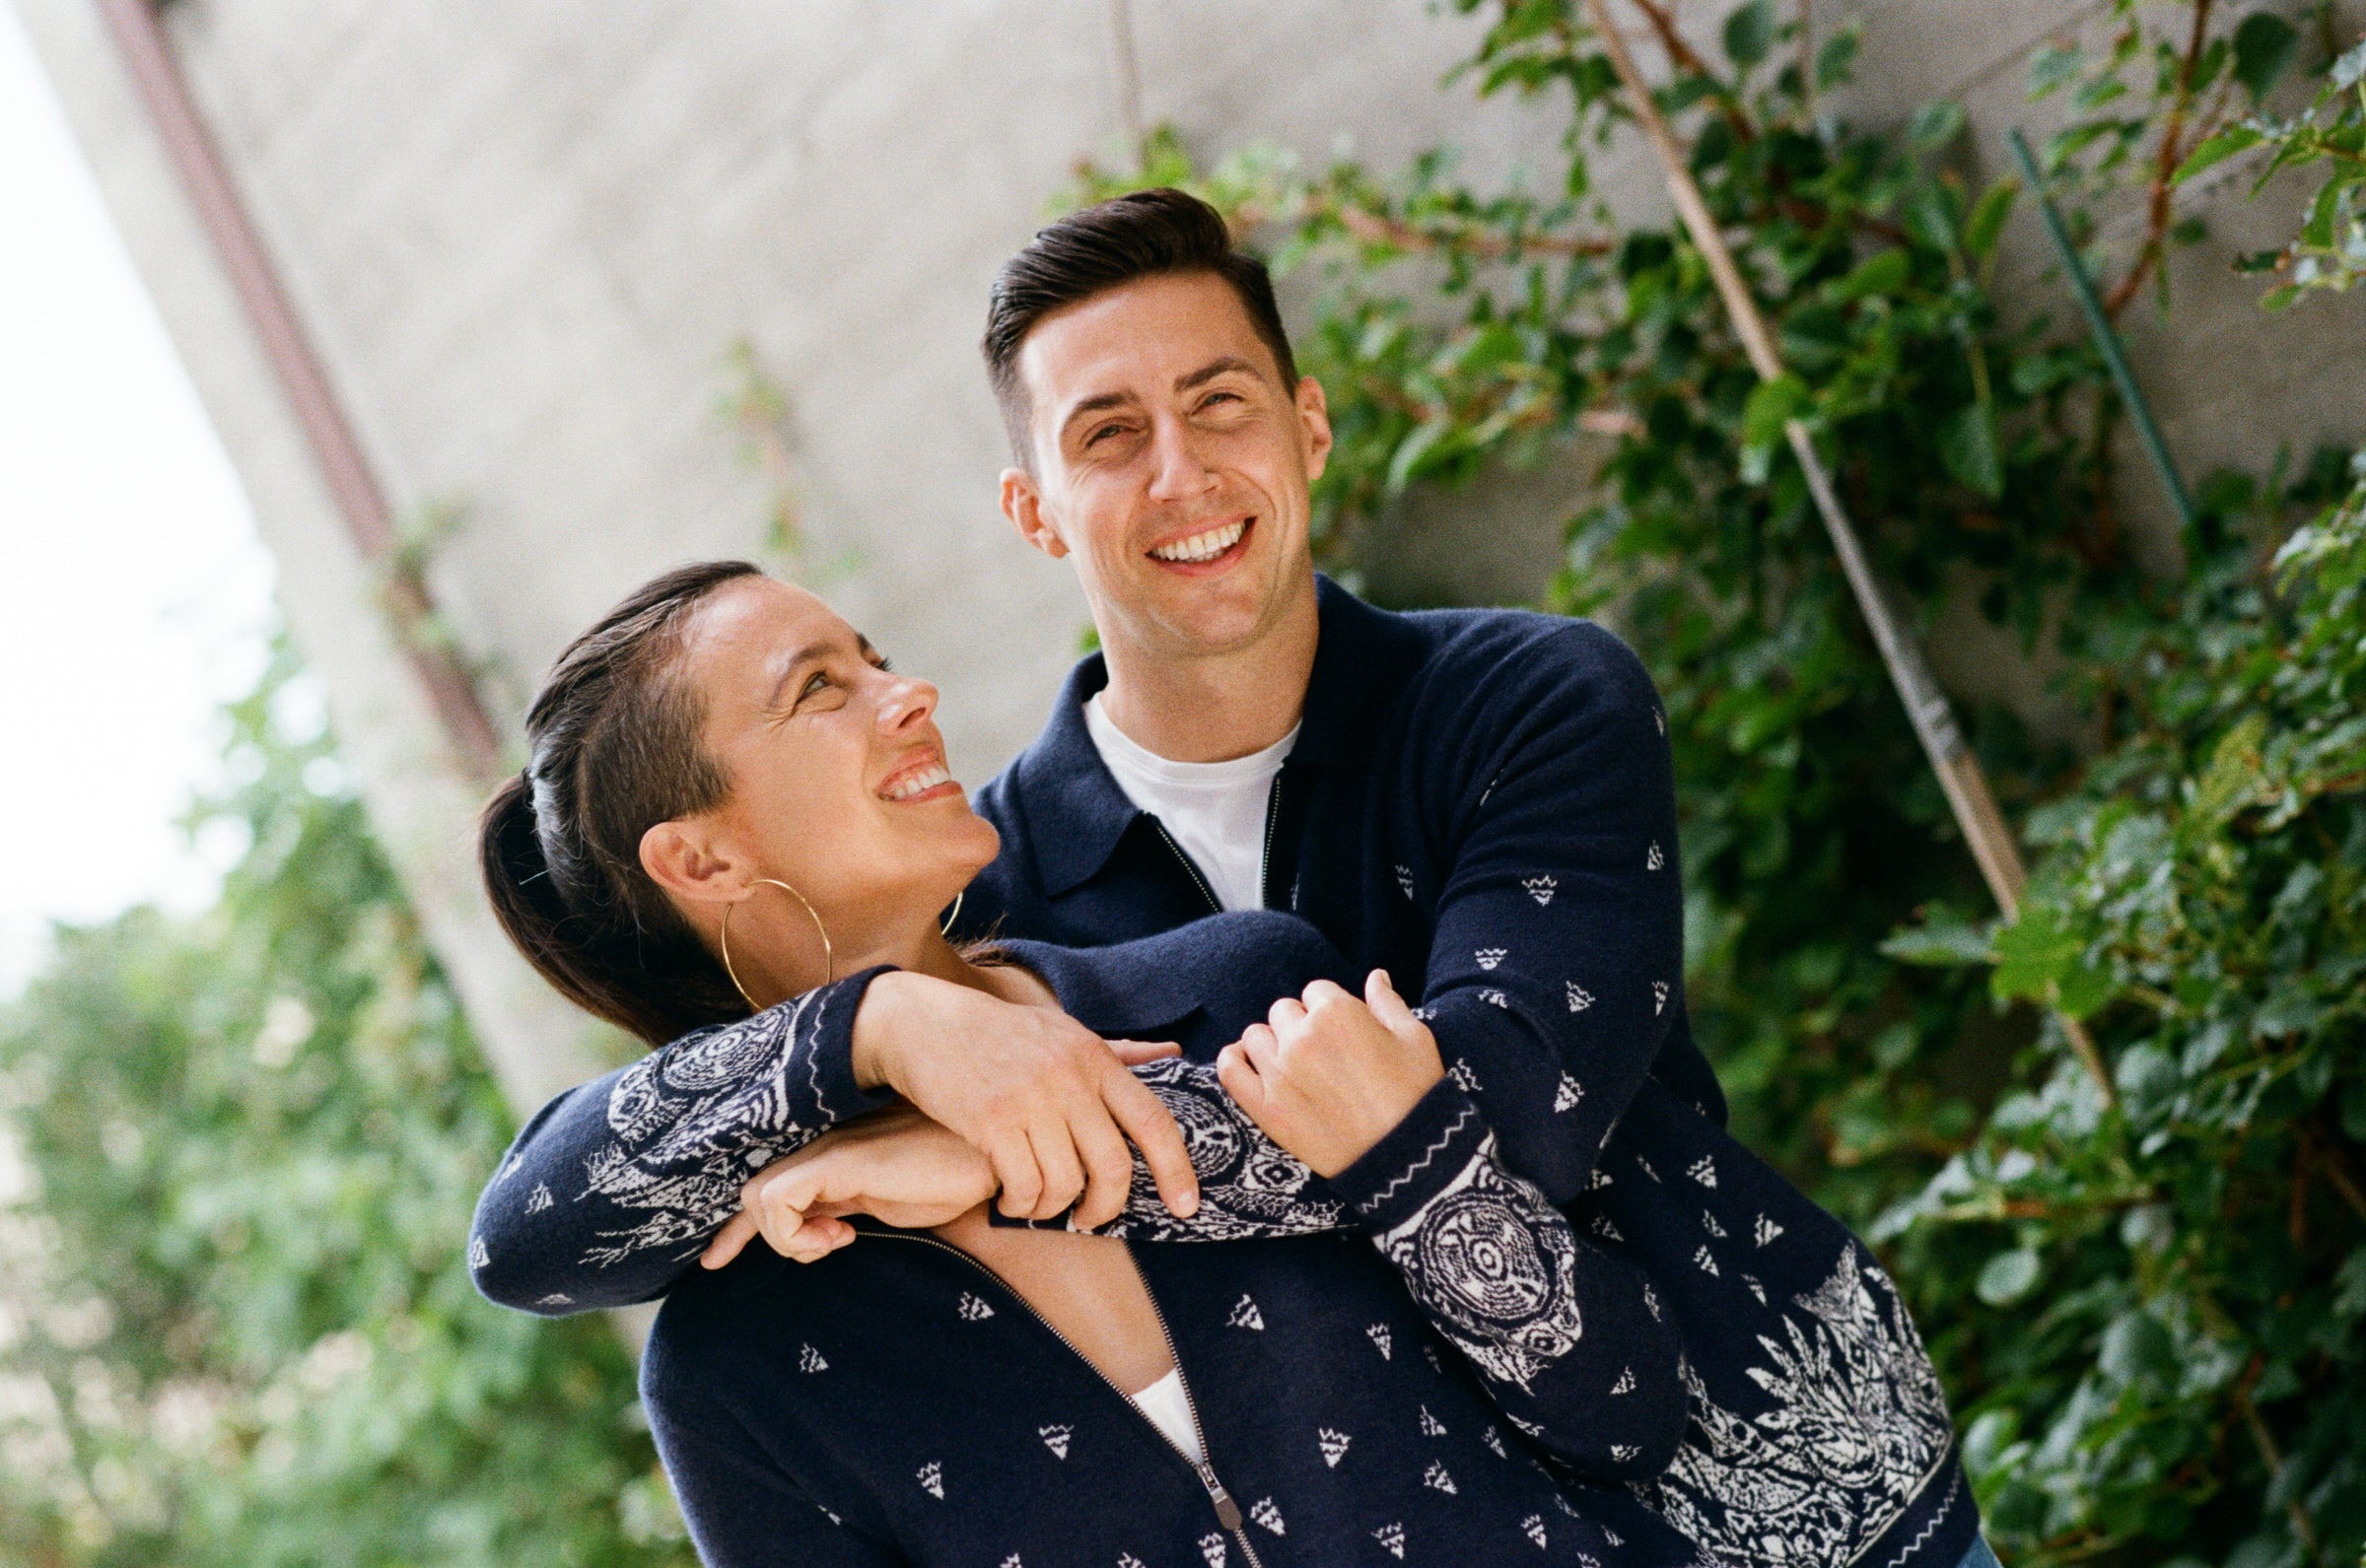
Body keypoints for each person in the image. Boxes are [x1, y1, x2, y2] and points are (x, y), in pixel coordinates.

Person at [472, 190, 1983, 1568]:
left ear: (1309, 429)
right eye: (1109, 432)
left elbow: (1514, 1114)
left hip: (1811, 1483)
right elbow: (531, 1234)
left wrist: (1010, 1149)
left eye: (1221, 403)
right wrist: (884, 1029)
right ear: (1033, 507)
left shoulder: (1528, 700)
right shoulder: (994, 892)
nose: (1183, 470)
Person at [476, 560, 1697, 1565]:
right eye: (820, 689)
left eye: (875, 654)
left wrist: (1417, 1174)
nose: (909, 694)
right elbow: (514, 1238)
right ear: (700, 864)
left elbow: (1629, 1404)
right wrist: (877, 1026)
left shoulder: (1232, 989)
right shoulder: (737, 1367)